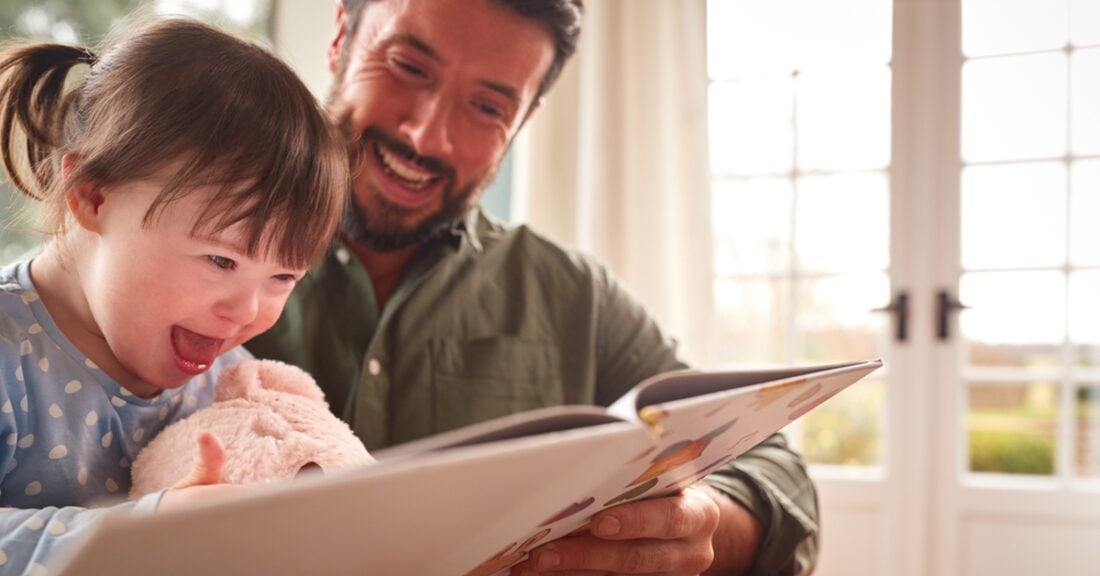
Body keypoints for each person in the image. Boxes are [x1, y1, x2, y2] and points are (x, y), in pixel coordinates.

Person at [247, 0, 818, 574]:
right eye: (408, 67)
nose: (429, 136)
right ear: (342, 32)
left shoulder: (576, 298)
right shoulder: (186, 229)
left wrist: (697, 528)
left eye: (488, 107)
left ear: (523, 120)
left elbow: (776, 469)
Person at [0, 18, 348, 574]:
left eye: (283, 277)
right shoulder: (9, 352)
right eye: (221, 260)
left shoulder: (231, 379)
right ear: (93, 197)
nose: (248, 312)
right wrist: (147, 533)